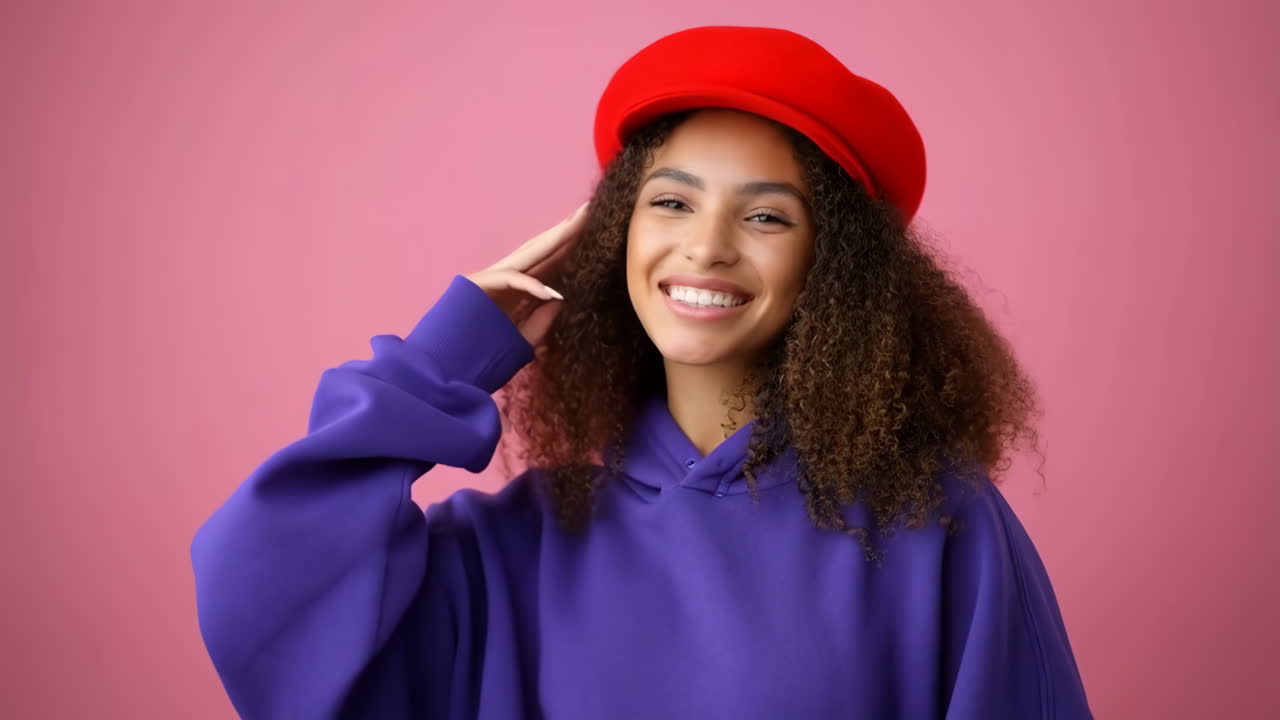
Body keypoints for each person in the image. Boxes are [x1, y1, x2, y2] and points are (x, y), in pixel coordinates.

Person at [191, 25, 1094, 719]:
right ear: (619, 232)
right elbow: (259, 607)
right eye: (671, 202)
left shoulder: (936, 521)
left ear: (834, 268)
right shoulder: (516, 545)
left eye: (766, 217)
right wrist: (439, 363)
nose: (706, 247)